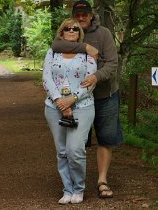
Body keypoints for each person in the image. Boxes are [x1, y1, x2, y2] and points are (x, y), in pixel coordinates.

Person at [51, 0, 123, 199]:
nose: (81, 18)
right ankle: (75, 185)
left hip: (103, 95)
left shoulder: (104, 34)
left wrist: (96, 76)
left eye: (85, 14)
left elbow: (112, 63)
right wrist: (85, 47)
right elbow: (55, 45)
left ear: (91, 15)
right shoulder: (69, 31)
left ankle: (102, 180)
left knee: (106, 138)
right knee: (77, 143)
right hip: (77, 101)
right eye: (77, 14)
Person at [43, 18, 97, 205]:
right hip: (54, 107)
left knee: (75, 150)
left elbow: (90, 82)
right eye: (68, 28)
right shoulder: (52, 52)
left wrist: (71, 100)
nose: (72, 30)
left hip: (82, 106)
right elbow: (46, 77)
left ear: (79, 33)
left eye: (75, 28)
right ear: (62, 32)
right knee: (62, 151)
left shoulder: (87, 54)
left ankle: (79, 188)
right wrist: (59, 101)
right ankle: (68, 189)